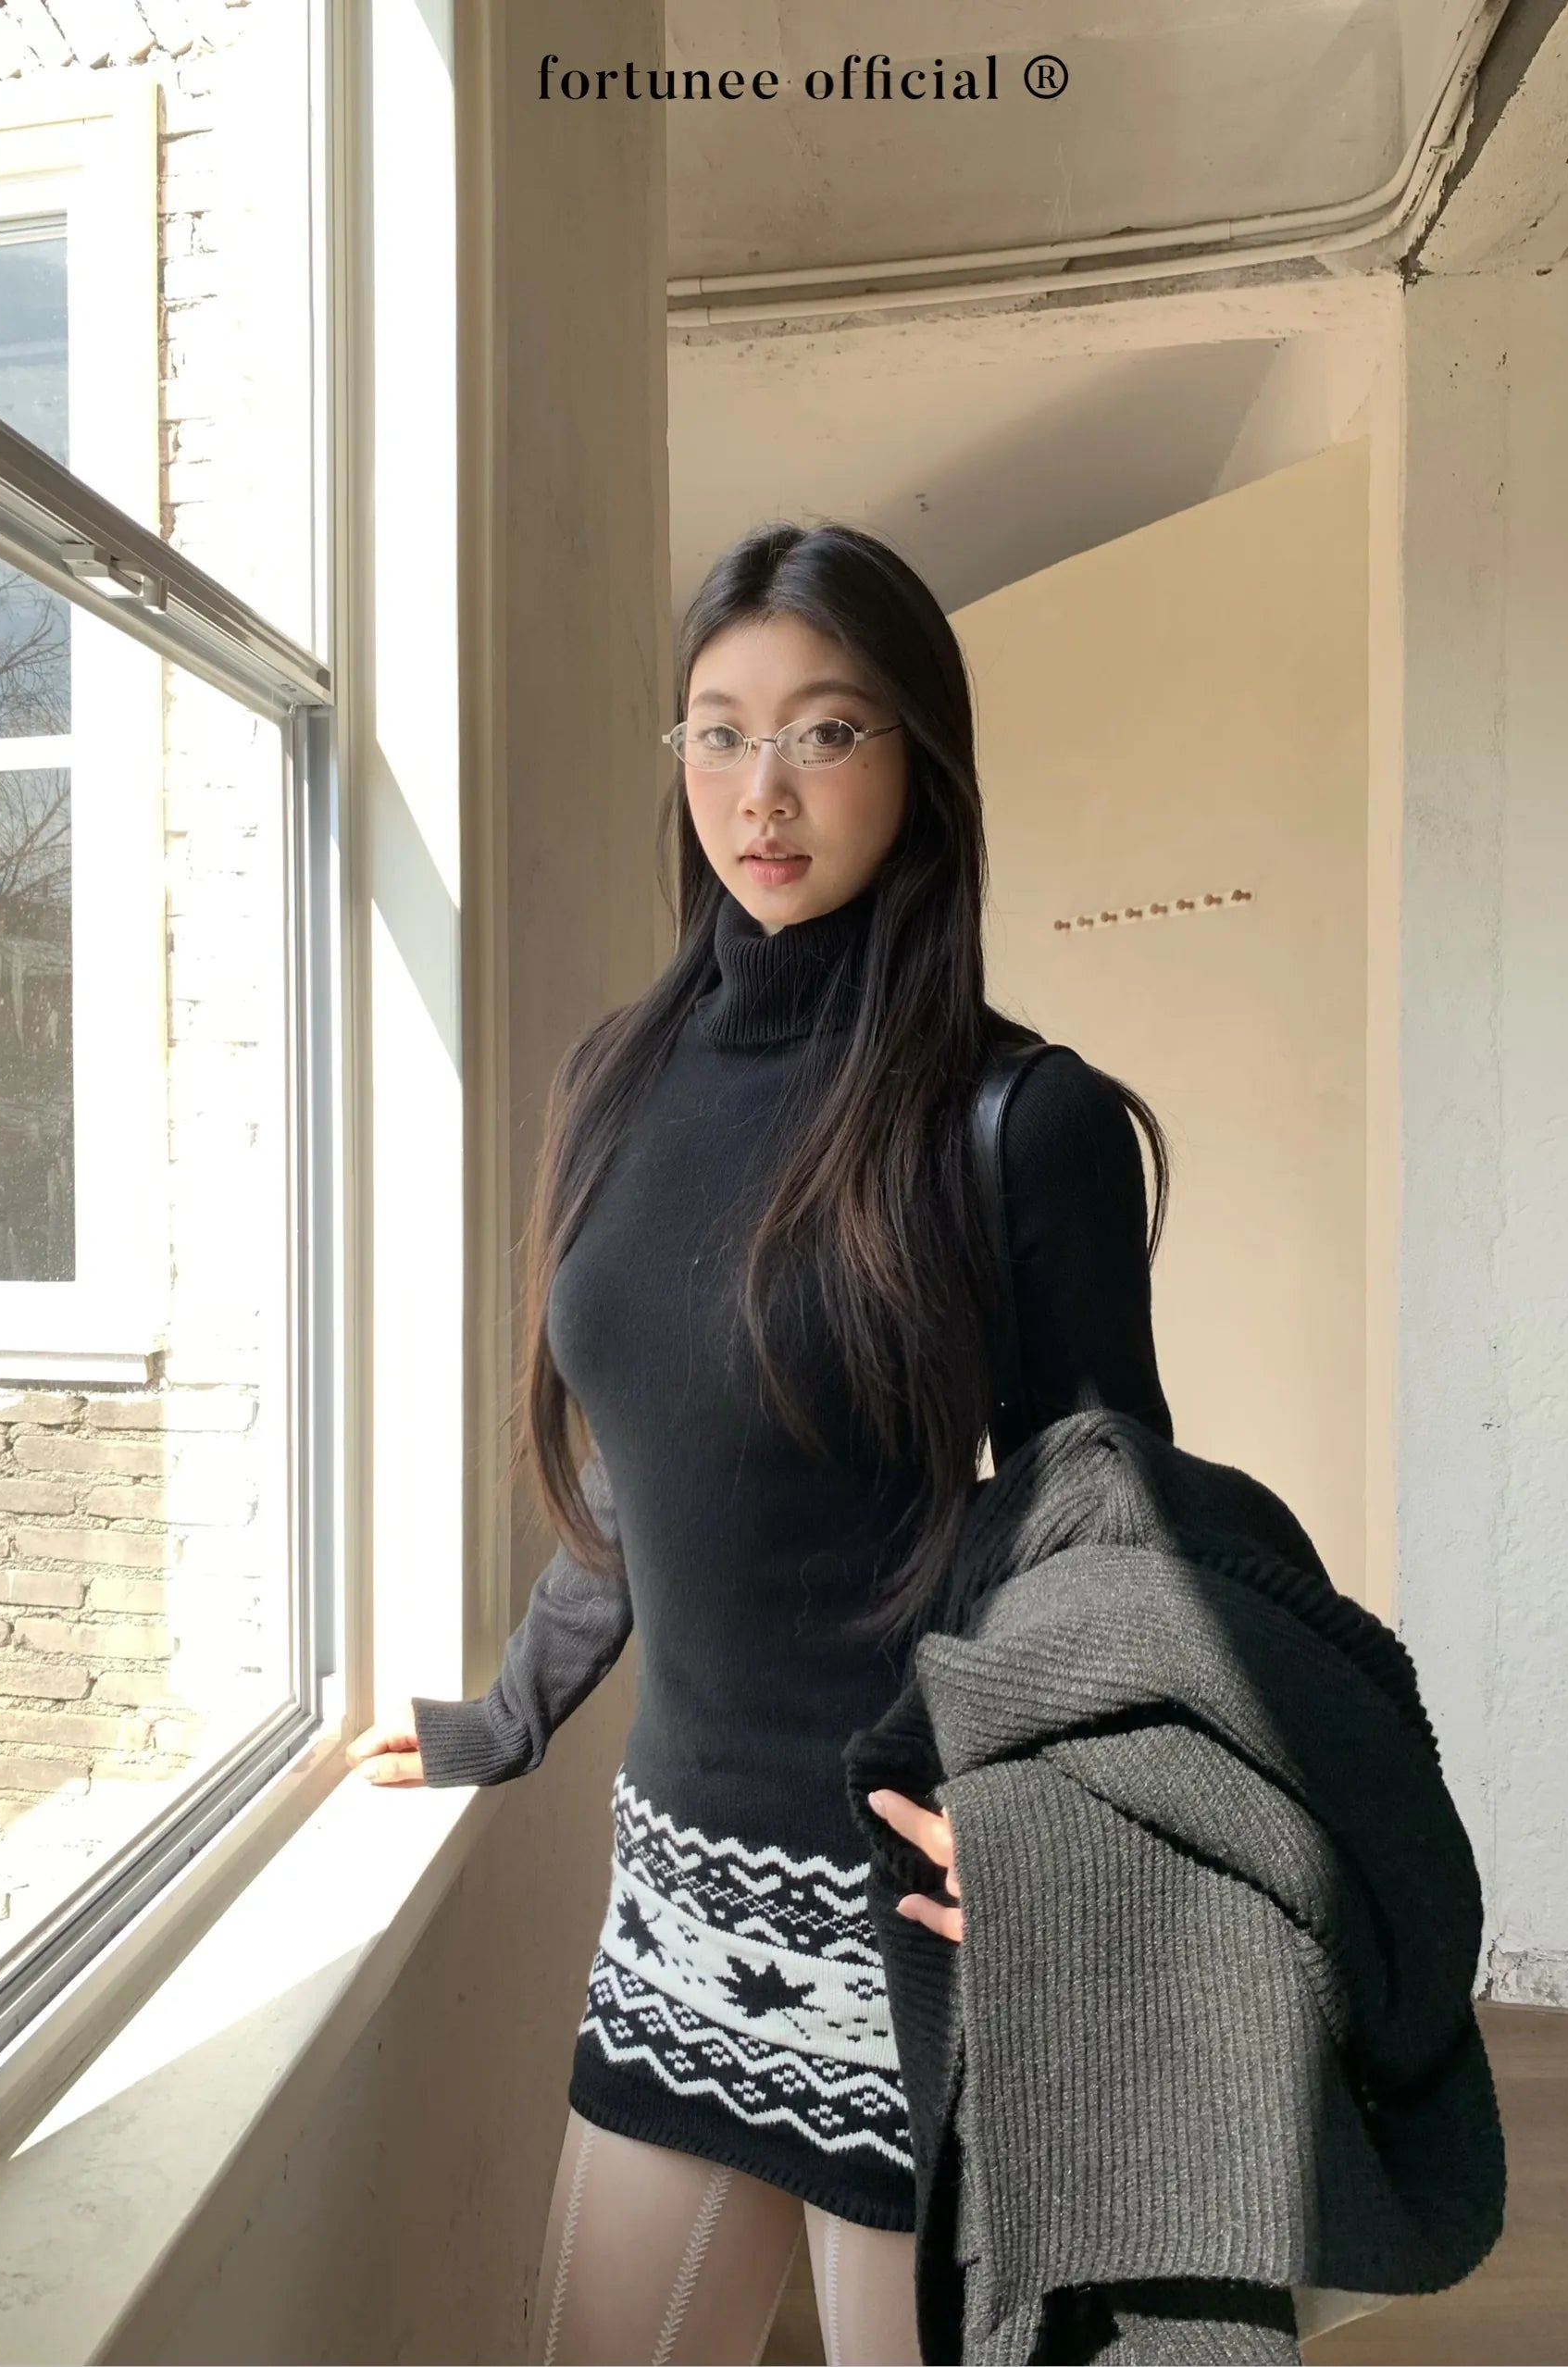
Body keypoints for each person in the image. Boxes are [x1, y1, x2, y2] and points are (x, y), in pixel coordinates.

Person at [346, 521, 1174, 2365]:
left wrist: (1044, 1815)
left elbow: (1103, 1527)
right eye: (718, 732)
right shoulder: (617, 1077)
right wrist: (508, 1714)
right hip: (682, 1894)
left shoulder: (1018, 1120)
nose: (762, 790)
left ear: (920, 758)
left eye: (825, 729)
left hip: (919, 1906)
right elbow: (651, 1455)